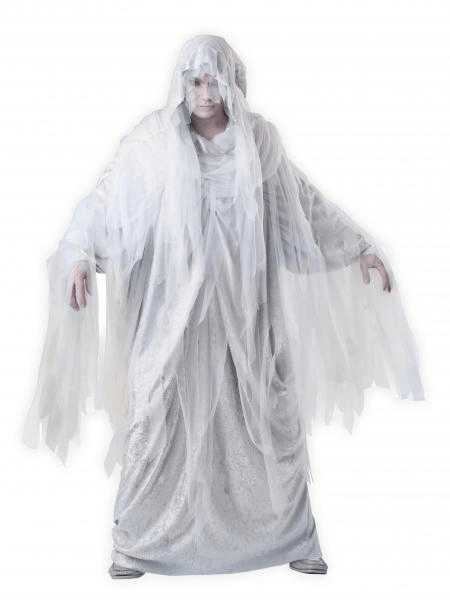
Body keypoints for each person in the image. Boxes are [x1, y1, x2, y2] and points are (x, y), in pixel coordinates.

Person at [23, 34, 424, 578]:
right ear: (182, 85)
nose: (205, 93)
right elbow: (106, 202)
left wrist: (359, 247)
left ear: (233, 82)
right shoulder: (153, 143)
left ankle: (291, 537)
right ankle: (137, 544)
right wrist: (78, 253)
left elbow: (303, 208)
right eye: (195, 81)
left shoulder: (259, 144)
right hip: (171, 319)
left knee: (266, 416)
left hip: (246, 316)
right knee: (155, 415)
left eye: (214, 80)